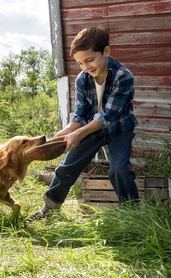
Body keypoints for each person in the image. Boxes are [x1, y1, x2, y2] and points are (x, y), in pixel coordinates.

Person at [26, 26, 140, 222]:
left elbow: (108, 116)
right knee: (66, 167)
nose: (86, 67)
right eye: (80, 63)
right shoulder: (82, 80)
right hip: (92, 129)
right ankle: (49, 209)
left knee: (119, 169)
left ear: (106, 51)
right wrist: (61, 136)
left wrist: (78, 134)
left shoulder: (123, 76)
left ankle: (132, 214)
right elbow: (80, 116)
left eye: (90, 60)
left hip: (120, 128)